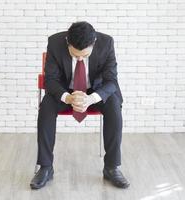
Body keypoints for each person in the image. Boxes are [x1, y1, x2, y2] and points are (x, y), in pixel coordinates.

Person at [30, 21, 130, 189]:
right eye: (76, 55)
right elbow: (51, 80)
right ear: (68, 42)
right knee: (46, 105)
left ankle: (112, 167)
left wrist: (91, 99)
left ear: (94, 43)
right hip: (66, 92)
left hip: (95, 93)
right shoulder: (55, 42)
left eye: (84, 55)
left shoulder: (107, 43)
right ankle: (46, 167)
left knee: (113, 104)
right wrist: (68, 98)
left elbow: (111, 80)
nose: (80, 59)